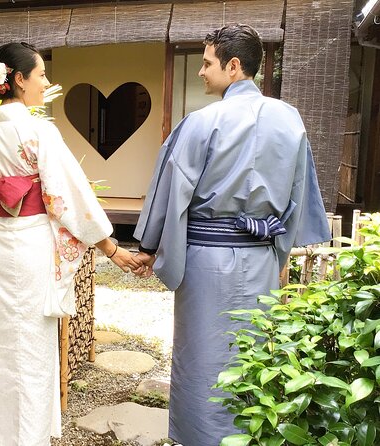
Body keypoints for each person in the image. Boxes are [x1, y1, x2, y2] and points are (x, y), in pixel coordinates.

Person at [132, 24, 331, 446]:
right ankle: (251, 436)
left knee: (204, 358)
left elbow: (172, 188)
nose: (202, 72)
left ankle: (199, 439)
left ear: (233, 66)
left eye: (207, 63)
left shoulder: (202, 122)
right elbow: (298, 194)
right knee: (253, 355)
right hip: (261, 258)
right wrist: (282, 256)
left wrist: (149, 247)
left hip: (207, 259)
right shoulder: (289, 119)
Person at [0, 42, 140, 446]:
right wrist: (111, 247)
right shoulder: (39, 131)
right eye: (40, 75)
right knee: (32, 345)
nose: (45, 83)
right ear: (18, 80)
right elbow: (68, 197)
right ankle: (30, 436)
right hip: (28, 248)